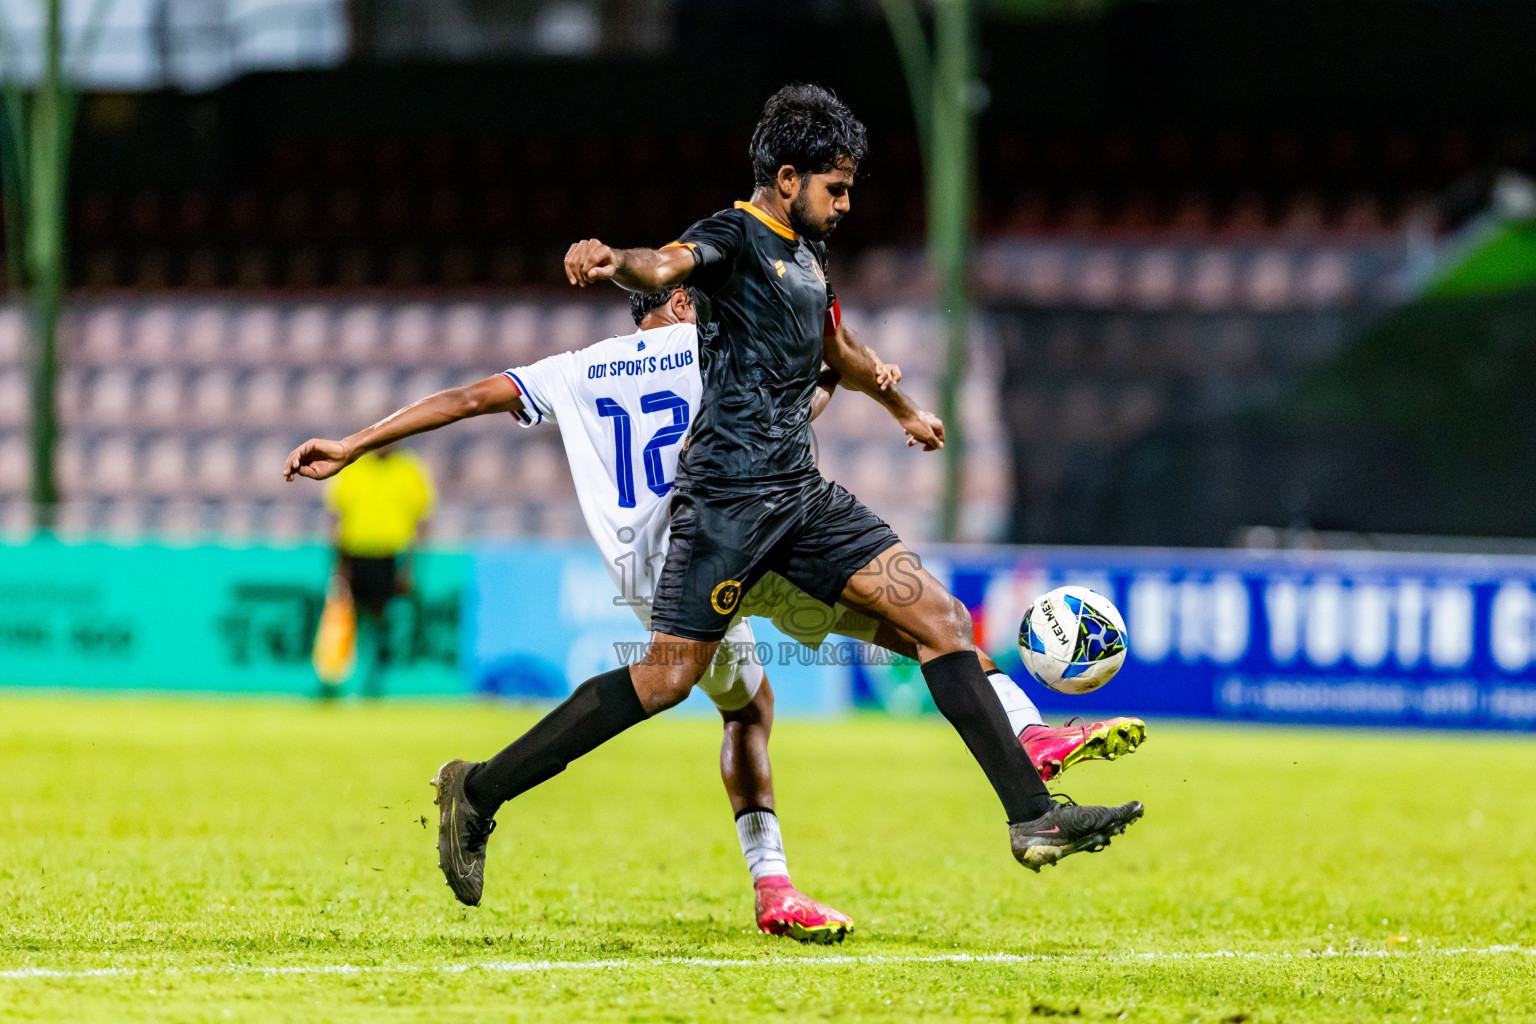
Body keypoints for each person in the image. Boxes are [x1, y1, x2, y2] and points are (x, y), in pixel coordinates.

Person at [407, 83, 1144, 913]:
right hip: (723, 503)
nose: (847, 203)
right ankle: (480, 791)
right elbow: (665, 265)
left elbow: (841, 347)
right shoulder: (734, 236)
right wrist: (617, 261)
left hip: (800, 496)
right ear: (787, 177)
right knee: (664, 680)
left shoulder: (807, 255)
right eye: (837, 188)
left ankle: (1034, 816)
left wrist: (904, 409)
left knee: (938, 619)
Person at [285, 283, 1147, 937]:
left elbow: (469, 398)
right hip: (724, 540)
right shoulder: (717, 349)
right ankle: (1016, 754)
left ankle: (499, 797)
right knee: (898, 637)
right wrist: (865, 387)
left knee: (770, 682)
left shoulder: (573, 370)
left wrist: (356, 441)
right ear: (682, 303)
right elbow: (796, 398)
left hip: (653, 560)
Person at [319, 444, 434, 699]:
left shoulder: (409, 471)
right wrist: (339, 565)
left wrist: (409, 566)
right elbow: (337, 517)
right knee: (347, 621)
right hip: (355, 554)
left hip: (389, 556)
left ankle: (374, 682)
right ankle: (336, 680)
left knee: (382, 622)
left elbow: (421, 520)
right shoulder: (352, 469)